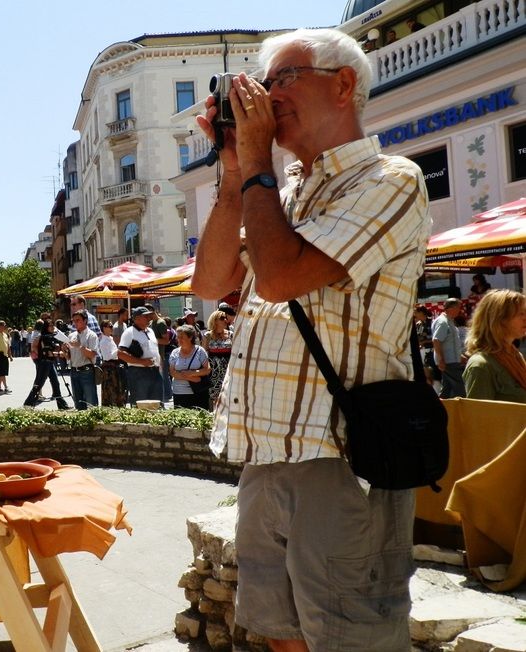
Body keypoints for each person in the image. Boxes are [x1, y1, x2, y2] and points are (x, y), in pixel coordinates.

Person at [194, 28, 430, 650]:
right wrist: (233, 169)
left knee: (353, 641)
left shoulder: (391, 178)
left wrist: (258, 168)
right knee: (281, 635)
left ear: (344, 84)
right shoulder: (280, 190)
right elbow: (212, 280)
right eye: (264, 84)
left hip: (343, 456)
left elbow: (280, 277)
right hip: (267, 451)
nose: (268, 97)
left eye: (283, 80)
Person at [462, 289, 526, 403]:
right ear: (499, 319)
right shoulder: (481, 366)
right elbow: (479, 417)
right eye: (521, 313)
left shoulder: (515, 355)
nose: (525, 318)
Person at [117, 306, 162, 406]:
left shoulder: (151, 331)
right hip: (138, 373)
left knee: (157, 404)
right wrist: (142, 362)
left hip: (155, 371)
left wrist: (160, 368)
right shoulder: (129, 332)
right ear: (136, 318)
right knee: (140, 404)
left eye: (149, 316)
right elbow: (120, 354)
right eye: (145, 316)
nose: (149, 318)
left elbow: (156, 351)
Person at [23, 319, 69, 410]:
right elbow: (45, 351)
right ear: (46, 327)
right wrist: (58, 354)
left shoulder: (50, 336)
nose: (53, 327)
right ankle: (28, 404)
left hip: (50, 362)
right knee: (39, 384)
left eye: (53, 325)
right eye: (50, 326)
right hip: (44, 363)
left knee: (55, 383)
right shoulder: (43, 337)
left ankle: (62, 405)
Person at [169, 325, 211, 409]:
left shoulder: (200, 351)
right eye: (178, 337)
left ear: (190, 337)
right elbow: (173, 373)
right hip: (179, 393)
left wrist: (191, 373)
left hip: (198, 392)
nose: (178, 339)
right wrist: (194, 378)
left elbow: (207, 370)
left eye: (181, 337)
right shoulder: (175, 352)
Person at [432, 298, 467, 398]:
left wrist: (459, 356)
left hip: (450, 361)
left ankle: (440, 409)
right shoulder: (443, 322)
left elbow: (449, 343)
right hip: (449, 362)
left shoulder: (449, 321)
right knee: (460, 388)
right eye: (458, 308)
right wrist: (441, 359)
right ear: (451, 308)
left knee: (447, 389)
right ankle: (463, 410)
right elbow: (436, 340)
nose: (459, 310)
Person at [66, 310, 99, 410]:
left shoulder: (92, 335)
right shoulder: (71, 336)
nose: (75, 323)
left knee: (91, 402)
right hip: (74, 371)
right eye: (73, 321)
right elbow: (69, 357)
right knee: (78, 402)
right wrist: (65, 351)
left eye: (78, 320)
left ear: (85, 320)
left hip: (87, 371)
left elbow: (93, 354)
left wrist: (80, 346)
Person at [202, 310, 233, 410]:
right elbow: (204, 353)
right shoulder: (208, 336)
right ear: (215, 321)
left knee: (228, 396)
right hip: (214, 372)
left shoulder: (231, 334)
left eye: (225, 317)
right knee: (215, 397)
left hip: (228, 370)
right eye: (222, 318)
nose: (225, 320)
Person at [148, 305, 173, 403]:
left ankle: (166, 396)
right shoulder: (151, 323)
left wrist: (151, 340)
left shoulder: (161, 323)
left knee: (162, 377)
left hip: (159, 355)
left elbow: (166, 341)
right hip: (153, 355)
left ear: (153, 312)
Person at [98, 320, 125, 407]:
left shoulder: (110, 339)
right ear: (104, 328)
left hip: (115, 367)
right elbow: (107, 356)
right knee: (109, 391)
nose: (111, 328)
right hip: (108, 369)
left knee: (117, 390)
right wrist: (118, 350)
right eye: (109, 326)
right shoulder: (103, 341)